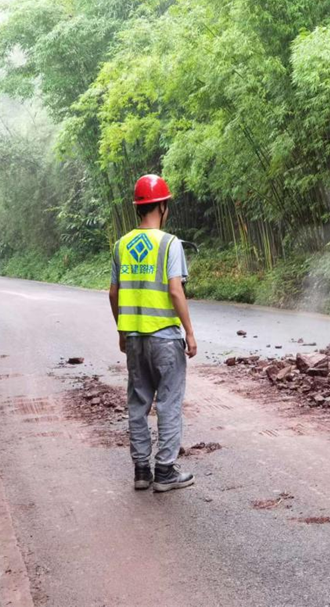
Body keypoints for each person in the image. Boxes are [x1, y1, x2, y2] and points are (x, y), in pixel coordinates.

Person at [108, 174, 198, 492]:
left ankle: (141, 471)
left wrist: (123, 331)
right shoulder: (169, 243)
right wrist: (189, 333)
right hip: (165, 338)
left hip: (134, 338)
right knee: (169, 403)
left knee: (138, 404)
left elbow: (113, 293)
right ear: (162, 206)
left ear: (138, 207)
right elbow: (175, 291)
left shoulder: (121, 245)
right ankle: (165, 472)